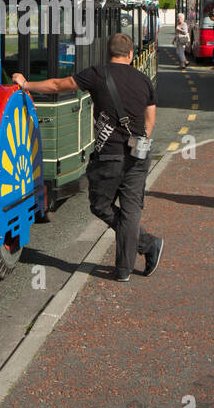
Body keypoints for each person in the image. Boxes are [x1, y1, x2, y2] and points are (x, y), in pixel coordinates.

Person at [12, 34, 163, 281]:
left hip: (109, 155)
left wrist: (26, 84)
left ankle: (143, 249)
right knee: (131, 210)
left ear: (108, 53)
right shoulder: (144, 80)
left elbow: (58, 86)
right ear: (131, 54)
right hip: (138, 155)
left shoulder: (97, 74)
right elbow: (150, 119)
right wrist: (141, 140)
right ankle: (133, 260)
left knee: (100, 205)